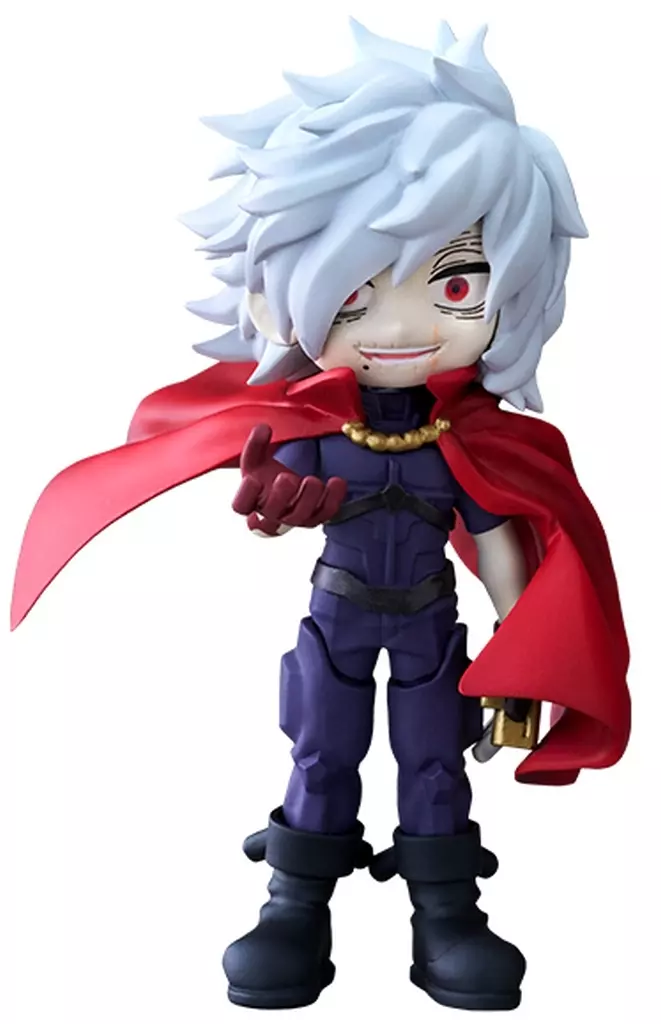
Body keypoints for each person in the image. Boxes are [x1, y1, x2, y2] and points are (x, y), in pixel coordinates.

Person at [11, 17, 630, 1013]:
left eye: (454, 282)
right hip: (336, 615)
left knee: (434, 762)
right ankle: (294, 902)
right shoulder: (309, 426)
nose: (400, 325)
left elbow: (502, 540)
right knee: (320, 751)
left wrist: (522, 647)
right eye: (351, 293)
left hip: (431, 625)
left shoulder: (467, 439)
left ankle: (446, 912)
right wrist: (273, 507)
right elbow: (276, 503)